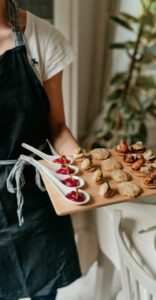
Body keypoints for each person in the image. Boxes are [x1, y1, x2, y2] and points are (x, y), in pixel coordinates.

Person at [0, 0, 81, 299]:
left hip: (36, 195)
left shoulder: (43, 38)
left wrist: (84, 168)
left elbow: (57, 128)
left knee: (45, 290)